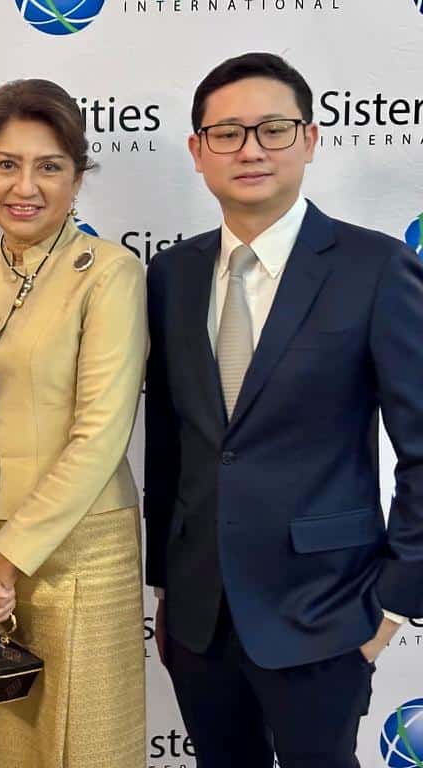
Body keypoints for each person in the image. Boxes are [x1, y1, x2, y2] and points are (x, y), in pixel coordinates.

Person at [145, 52, 423, 768]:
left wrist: (391, 605)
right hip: (200, 620)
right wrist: (168, 586)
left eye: (273, 128)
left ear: (309, 139)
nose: (251, 149)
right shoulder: (171, 274)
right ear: (197, 151)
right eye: (228, 133)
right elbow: (175, 441)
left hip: (325, 614)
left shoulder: (375, 267)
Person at [0, 79, 148, 768]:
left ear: (77, 178)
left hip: (78, 553)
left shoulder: (110, 273)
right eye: (7, 164)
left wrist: (2, 562)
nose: (26, 185)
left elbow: (101, 433)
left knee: (86, 748)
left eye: (49, 166)